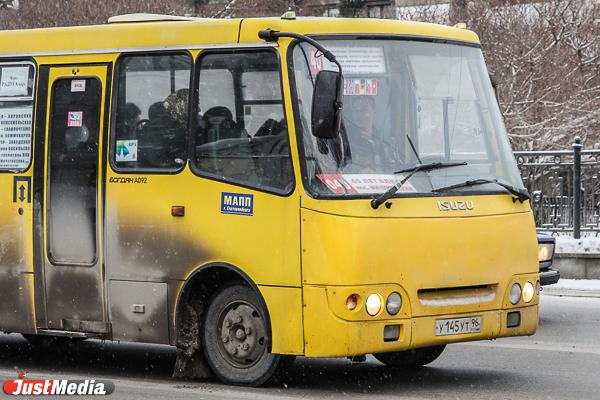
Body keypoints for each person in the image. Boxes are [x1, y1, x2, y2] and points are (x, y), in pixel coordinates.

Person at [344, 95, 386, 172]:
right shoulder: (345, 139)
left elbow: (391, 168)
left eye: (364, 109)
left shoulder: (383, 141)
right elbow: (339, 167)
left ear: (374, 112)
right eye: (356, 110)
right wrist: (358, 172)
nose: (360, 114)